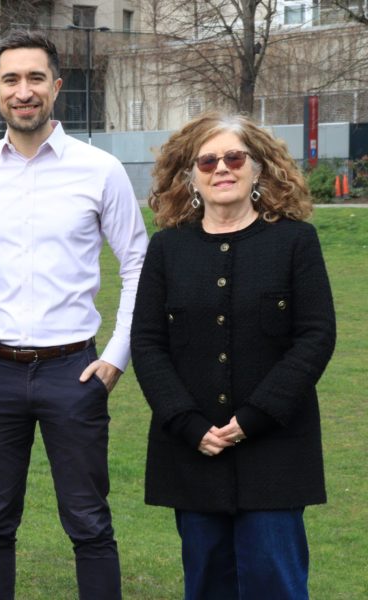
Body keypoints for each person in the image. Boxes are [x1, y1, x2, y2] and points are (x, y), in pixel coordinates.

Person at [0, 31, 149, 599]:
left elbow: (138, 264)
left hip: (74, 372)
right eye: (11, 79)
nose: (24, 90)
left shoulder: (100, 169)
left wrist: (114, 359)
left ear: (56, 87)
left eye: (36, 78)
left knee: (89, 523)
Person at [130, 112, 337, 600]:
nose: (221, 168)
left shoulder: (295, 242)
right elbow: (148, 344)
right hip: (193, 451)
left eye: (234, 157)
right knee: (207, 585)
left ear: (258, 169)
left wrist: (253, 417)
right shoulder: (168, 249)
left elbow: (315, 337)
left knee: (276, 586)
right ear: (191, 175)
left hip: (276, 452)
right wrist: (187, 424)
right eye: (207, 160)